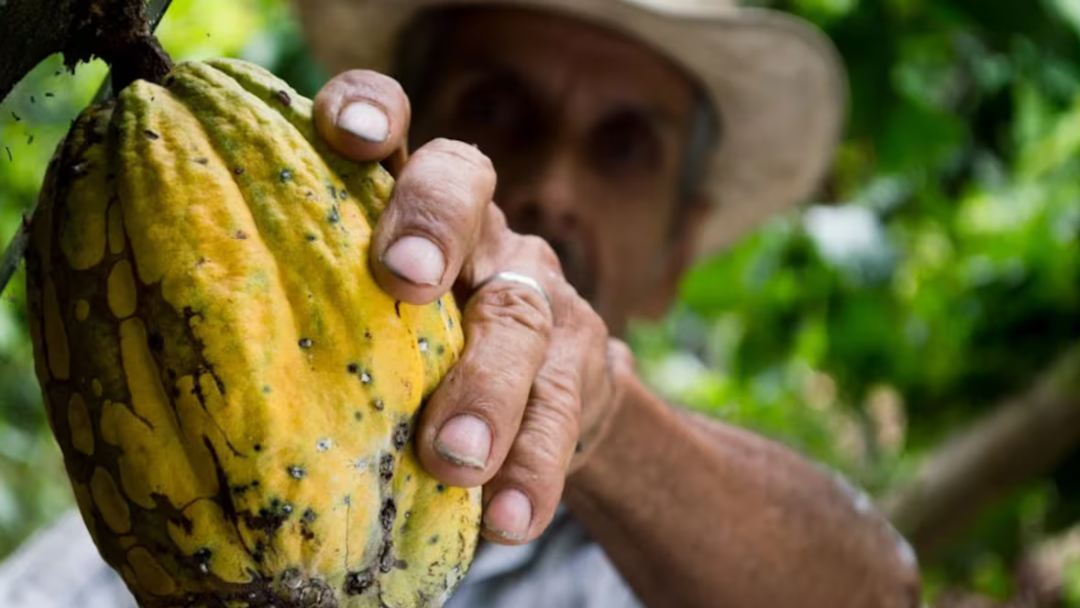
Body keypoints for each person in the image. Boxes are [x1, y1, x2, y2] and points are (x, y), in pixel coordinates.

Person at [0, 0, 921, 606]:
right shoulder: (119, 548)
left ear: (678, 252)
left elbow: (877, 592)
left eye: (623, 146)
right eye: (501, 107)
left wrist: (599, 414)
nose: (556, 184)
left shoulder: (664, 565)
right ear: (396, 132)